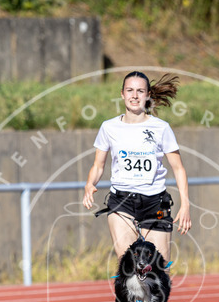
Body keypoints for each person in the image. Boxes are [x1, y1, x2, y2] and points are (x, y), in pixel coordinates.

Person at [82, 71, 191, 264]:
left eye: (140, 91)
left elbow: (179, 169)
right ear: (122, 94)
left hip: (155, 202)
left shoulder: (161, 128)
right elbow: (98, 165)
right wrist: (90, 184)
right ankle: (130, 294)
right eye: (130, 90)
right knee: (129, 266)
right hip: (122, 201)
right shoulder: (109, 127)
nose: (134, 95)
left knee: (158, 272)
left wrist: (185, 205)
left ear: (148, 95)